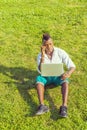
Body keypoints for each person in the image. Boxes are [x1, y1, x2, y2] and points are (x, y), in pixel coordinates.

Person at [35, 33, 76, 117]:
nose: (49, 47)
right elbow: (40, 70)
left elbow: (72, 66)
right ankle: (42, 106)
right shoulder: (40, 55)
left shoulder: (60, 52)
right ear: (43, 45)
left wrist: (68, 73)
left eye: (50, 44)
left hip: (58, 76)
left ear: (53, 43)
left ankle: (64, 107)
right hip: (46, 77)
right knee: (38, 79)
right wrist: (43, 55)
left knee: (65, 82)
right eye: (46, 45)